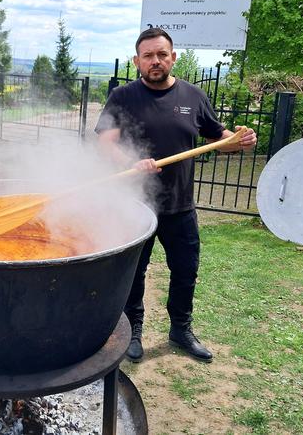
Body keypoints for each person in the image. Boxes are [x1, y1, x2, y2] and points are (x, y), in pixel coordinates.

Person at [95, 28, 257, 363]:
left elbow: (219, 137)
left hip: (180, 206)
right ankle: (133, 332)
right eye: (148, 56)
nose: (155, 61)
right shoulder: (122, 97)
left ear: (173, 57)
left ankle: (181, 329)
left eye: (161, 54)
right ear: (137, 60)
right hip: (134, 206)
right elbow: (105, 143)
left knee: (185, 270)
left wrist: (238, 140)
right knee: (133, 273)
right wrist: (131, 162)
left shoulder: (193, 97)